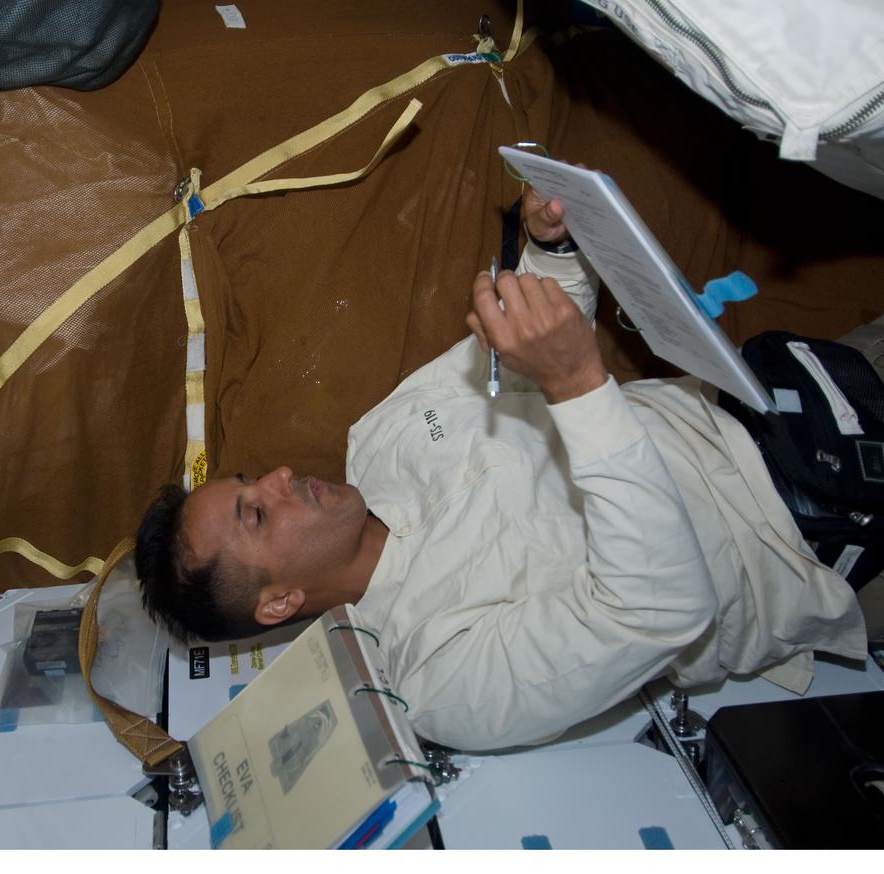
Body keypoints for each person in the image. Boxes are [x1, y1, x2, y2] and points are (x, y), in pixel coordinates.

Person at [135, 186, 867, 751]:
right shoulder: (440, 674)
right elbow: (666, 610)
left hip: (783, 390)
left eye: (249, 480)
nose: (280, 476)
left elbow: (522, 346)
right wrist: (577, 384)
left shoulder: (382, 436)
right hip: (817, 532)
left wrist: (549, 253)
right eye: (256, 513)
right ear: (278, 603)